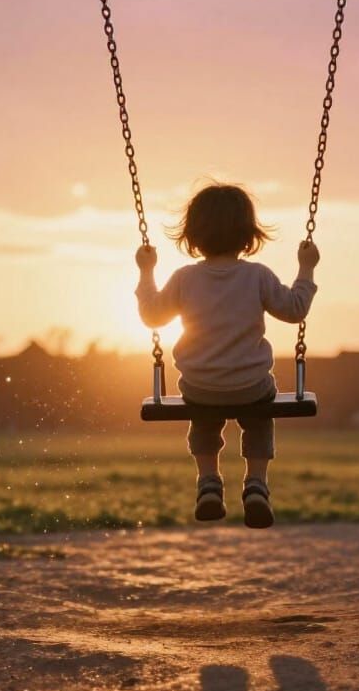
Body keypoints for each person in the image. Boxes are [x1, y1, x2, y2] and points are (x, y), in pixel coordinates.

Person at [136, 183, 319, 528]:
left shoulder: (184, 279)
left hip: (199, 386)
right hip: (251, 386)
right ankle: (256, 484)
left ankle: (208, 481)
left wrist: (146, 271)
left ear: (192, 235)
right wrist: (306, 267)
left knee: (203, 418)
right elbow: (295, 309)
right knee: (260, 417)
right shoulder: (257, 276)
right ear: (248, 235)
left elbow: (152, 316)